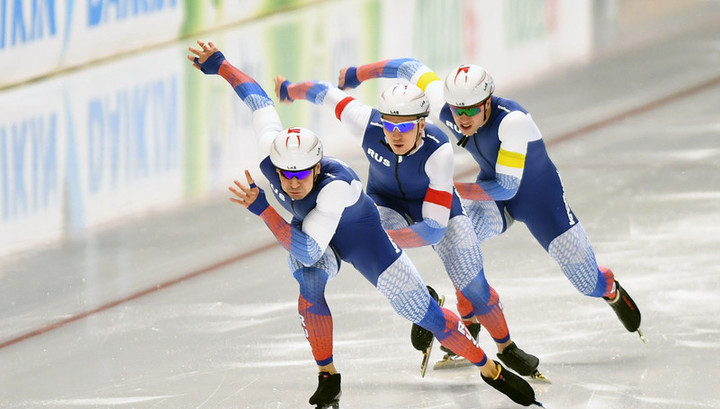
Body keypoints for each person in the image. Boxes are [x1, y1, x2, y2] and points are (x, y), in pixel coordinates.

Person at [187, 41, 543, 408]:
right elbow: (260, 101)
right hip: (346, 220)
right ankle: (328, 375)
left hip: (367, 235)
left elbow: (427, 229)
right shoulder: (284, 148)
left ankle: (490, 365)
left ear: (318, 166)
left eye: (302, 173)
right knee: (309, 285)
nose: (292, 182)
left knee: (431, 307)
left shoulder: (342, 184)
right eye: (285, 174)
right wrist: (224, 66)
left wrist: (264, 208)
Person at [336, 58, 643, 341]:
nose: (463, 117)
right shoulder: (451, 107)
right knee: (460, 246)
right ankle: (468, 320)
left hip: (539, 201)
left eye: (471, 110)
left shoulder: (513, 120)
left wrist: (447, 189)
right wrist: (357, 74)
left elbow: (506, 188)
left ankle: (610, 289)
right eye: (457, 110)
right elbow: (407, 67)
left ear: (489, 102)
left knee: (586, 282)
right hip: (490, 195)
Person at [273, 76, 543, 379]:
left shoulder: (438, 148)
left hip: (436, 211)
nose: (395, 135)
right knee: (393, 277)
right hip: (385, 204)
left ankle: (507, 347)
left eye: (403, 127)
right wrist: (290, 90)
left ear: (422, 125)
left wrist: (382, 238)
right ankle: (425, 301)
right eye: (389, 126)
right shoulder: (365, 123)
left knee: (472, 281)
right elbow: (324, 93)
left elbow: (434, 230)